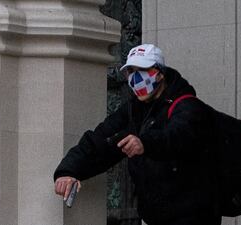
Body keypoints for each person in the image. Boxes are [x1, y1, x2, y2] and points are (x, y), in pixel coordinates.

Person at [54, 43, 222, 225]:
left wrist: (145, 143)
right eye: (130, 71)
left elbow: (178, 136)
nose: (134, 78)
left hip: (194, 216)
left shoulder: (187, 106)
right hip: (157, 216)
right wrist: (68, 171)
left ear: (159, 73)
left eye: (141, 70)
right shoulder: (134, 110)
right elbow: (102, 141)